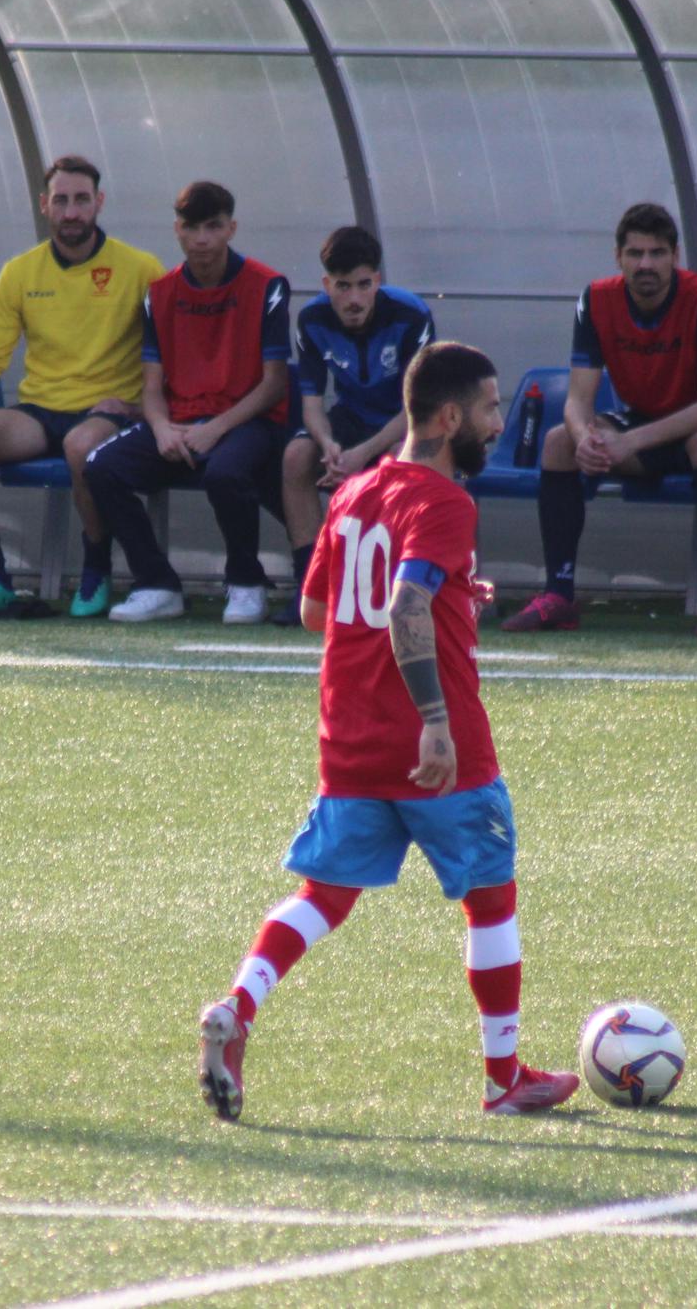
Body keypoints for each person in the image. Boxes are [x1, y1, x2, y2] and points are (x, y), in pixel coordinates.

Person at [197, 341, 581, 1122]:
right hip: (436, 745)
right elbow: (405, 607)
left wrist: (450, 599)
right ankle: (504, 1077)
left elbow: (317, 611)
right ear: (449, 418)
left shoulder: (355, 494)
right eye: (488, 408)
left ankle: (239, 1004)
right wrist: (435, 721)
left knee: (324, 895)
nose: (499, 422)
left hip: (351, 737)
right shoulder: (445, 503)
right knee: (490, 898)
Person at [500, 202, 697, 636]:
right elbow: (577, 399)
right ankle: (559, 594)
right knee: (557, 442)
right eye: (636, 253)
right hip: (648, 425)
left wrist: (631, 442)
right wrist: (584, 435)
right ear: (618, 257)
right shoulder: (597, 298)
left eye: (657, 253)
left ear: (675, 257)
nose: (646, 264)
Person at [0, 155, 162, 618]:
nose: (72, 211)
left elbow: (170, 354)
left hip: (106, 412)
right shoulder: (20, 272)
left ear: (99, 202)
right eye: (62, 200)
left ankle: (95, 569)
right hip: (40, 409)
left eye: (82, 199)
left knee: (82, 445)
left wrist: (140, 407)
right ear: (45, 205)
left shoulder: (141, 268)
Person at [86, 180, 292, 624]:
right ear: (176, 230)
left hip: (245, 423)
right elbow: (152, 384)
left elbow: (274, 384)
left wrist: (216, 428)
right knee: (102, 467)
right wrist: (160, 428)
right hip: (180, 423)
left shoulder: (268, 285)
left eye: (213, 227)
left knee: (225, 472)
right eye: (191, 227)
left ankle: (245, 582)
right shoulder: (158, 293)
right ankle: (157, 584)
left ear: (231, 229)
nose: (202, 239)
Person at [270, 226, 435, 627]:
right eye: (343, 287)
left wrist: (361, 455)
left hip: (404, 421)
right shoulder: (311, 320)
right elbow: (311, 404)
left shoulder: (412, 316)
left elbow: (418, 407)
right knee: (296, 456)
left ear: (377, 280)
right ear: (327, 284)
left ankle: (401, 592)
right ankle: (311, 586)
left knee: (401, 464)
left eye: (364, 285)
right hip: (351, 419)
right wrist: (328, 444)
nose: (354, 299)